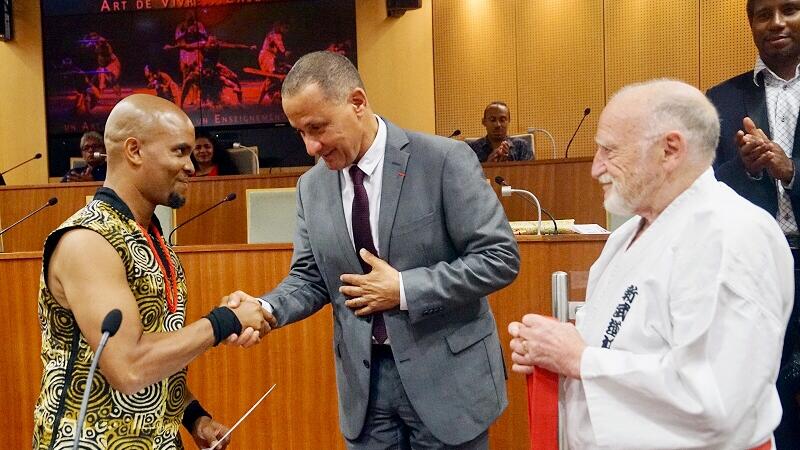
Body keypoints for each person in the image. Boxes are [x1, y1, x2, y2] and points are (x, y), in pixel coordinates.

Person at [228, 51, 520, 449]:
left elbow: (498, 258)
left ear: (358, 103)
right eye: (299, 132)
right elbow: (311, 278)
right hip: (366, 391)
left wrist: (403, 289)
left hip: (447, 381)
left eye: (317, 127)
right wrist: (266, 309)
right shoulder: (311, 187)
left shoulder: (444, 160)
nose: (310, 146)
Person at [509, 79, 793, 449]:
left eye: (609, 151)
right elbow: (614, 341)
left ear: (669, 150)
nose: (596, 169)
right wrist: (549, 349)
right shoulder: (624, 238)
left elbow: (718, 402)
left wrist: (579, 359)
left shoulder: (732, 235)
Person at [33, 94, 274, 448]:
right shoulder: (87, 241)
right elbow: (129, 366)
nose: (191, 166)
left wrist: (193, 416)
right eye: (179, 151)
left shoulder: (150, 235)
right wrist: (225, 321)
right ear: (134, 151)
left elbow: (157, 344)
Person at [706, 0, 800, 445]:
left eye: (790, 9)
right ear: (751, 24)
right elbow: (702, 191)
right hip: (752, 270)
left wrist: (792, 172)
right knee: (763, 387)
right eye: (764, 13)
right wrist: (745, 169)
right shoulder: (720, 100)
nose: (776, 22)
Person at [468, 101, 533, 162]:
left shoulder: (522, 146)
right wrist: (488, 166)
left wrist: (508, 164)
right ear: (484, 122)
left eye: (502, 120)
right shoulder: (472, 149)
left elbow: (531, 172)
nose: (498, 125)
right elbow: (467, 173)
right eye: (492, 120)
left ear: (509, 121)